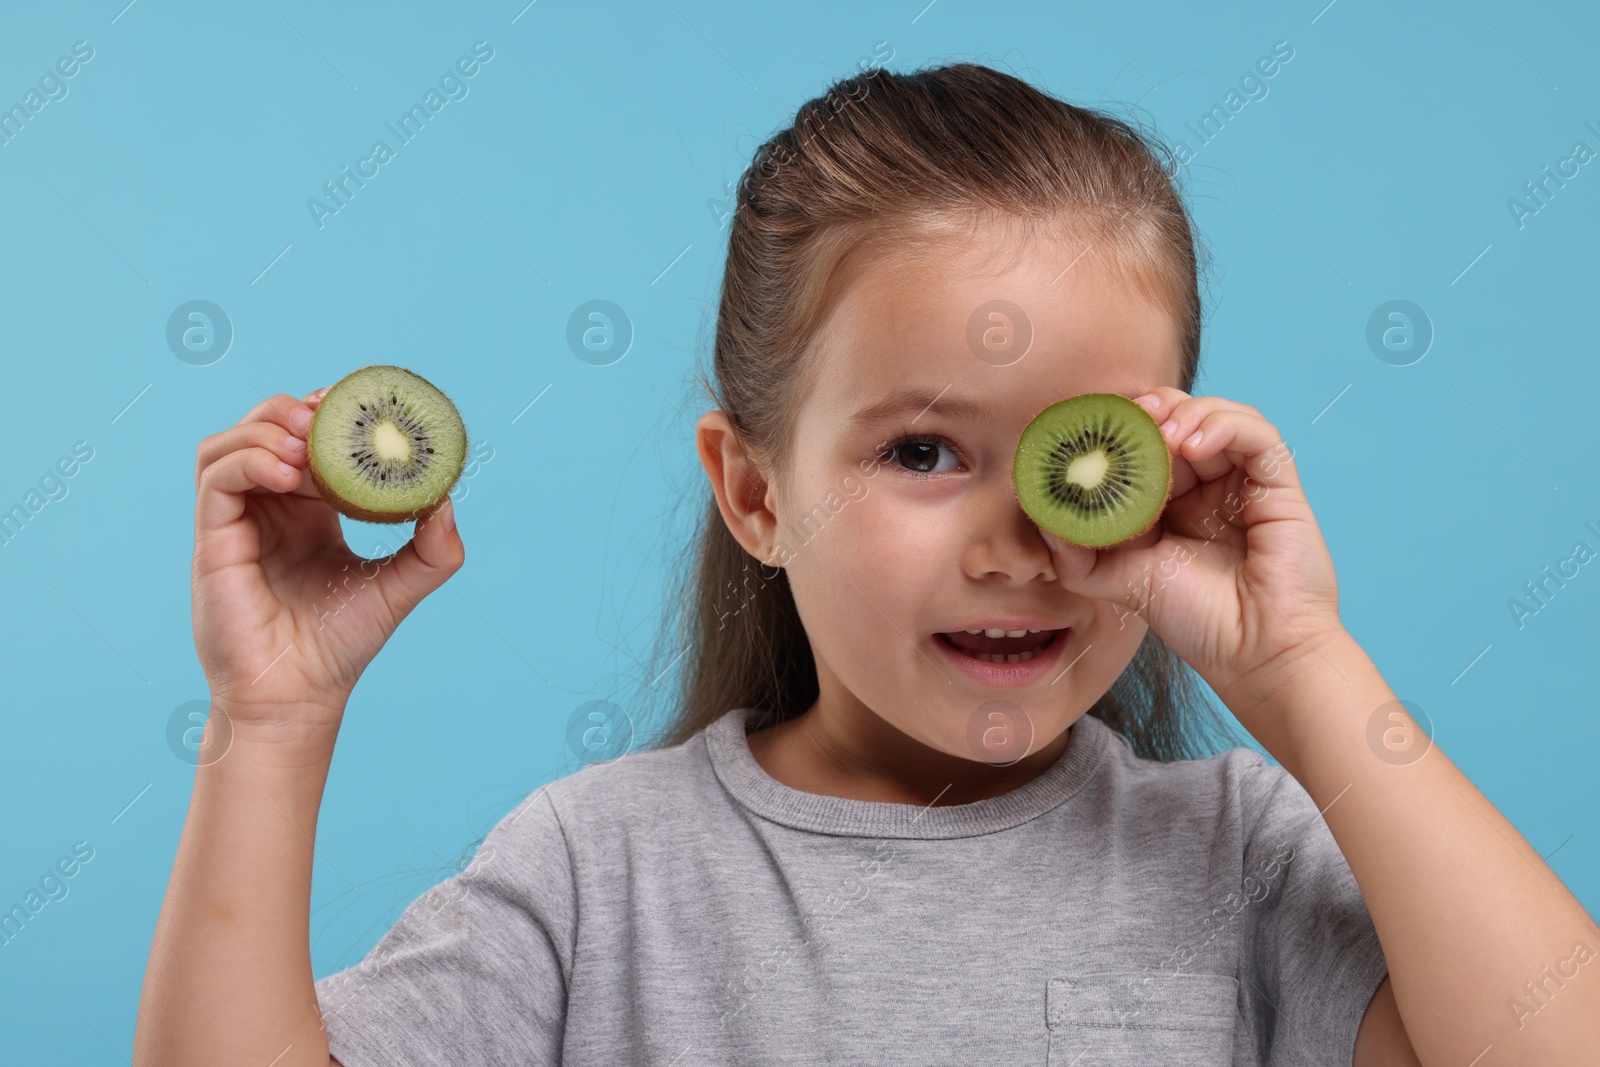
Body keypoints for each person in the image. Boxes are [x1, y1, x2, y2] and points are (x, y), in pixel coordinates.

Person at [134, 62, 1599, 1066]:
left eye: (1079, 462)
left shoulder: (1236, 861)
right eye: (921, 453)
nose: (1022, 542)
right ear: (756, 495)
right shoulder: (600, 875)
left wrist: (1301, 667)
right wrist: (270, 723)